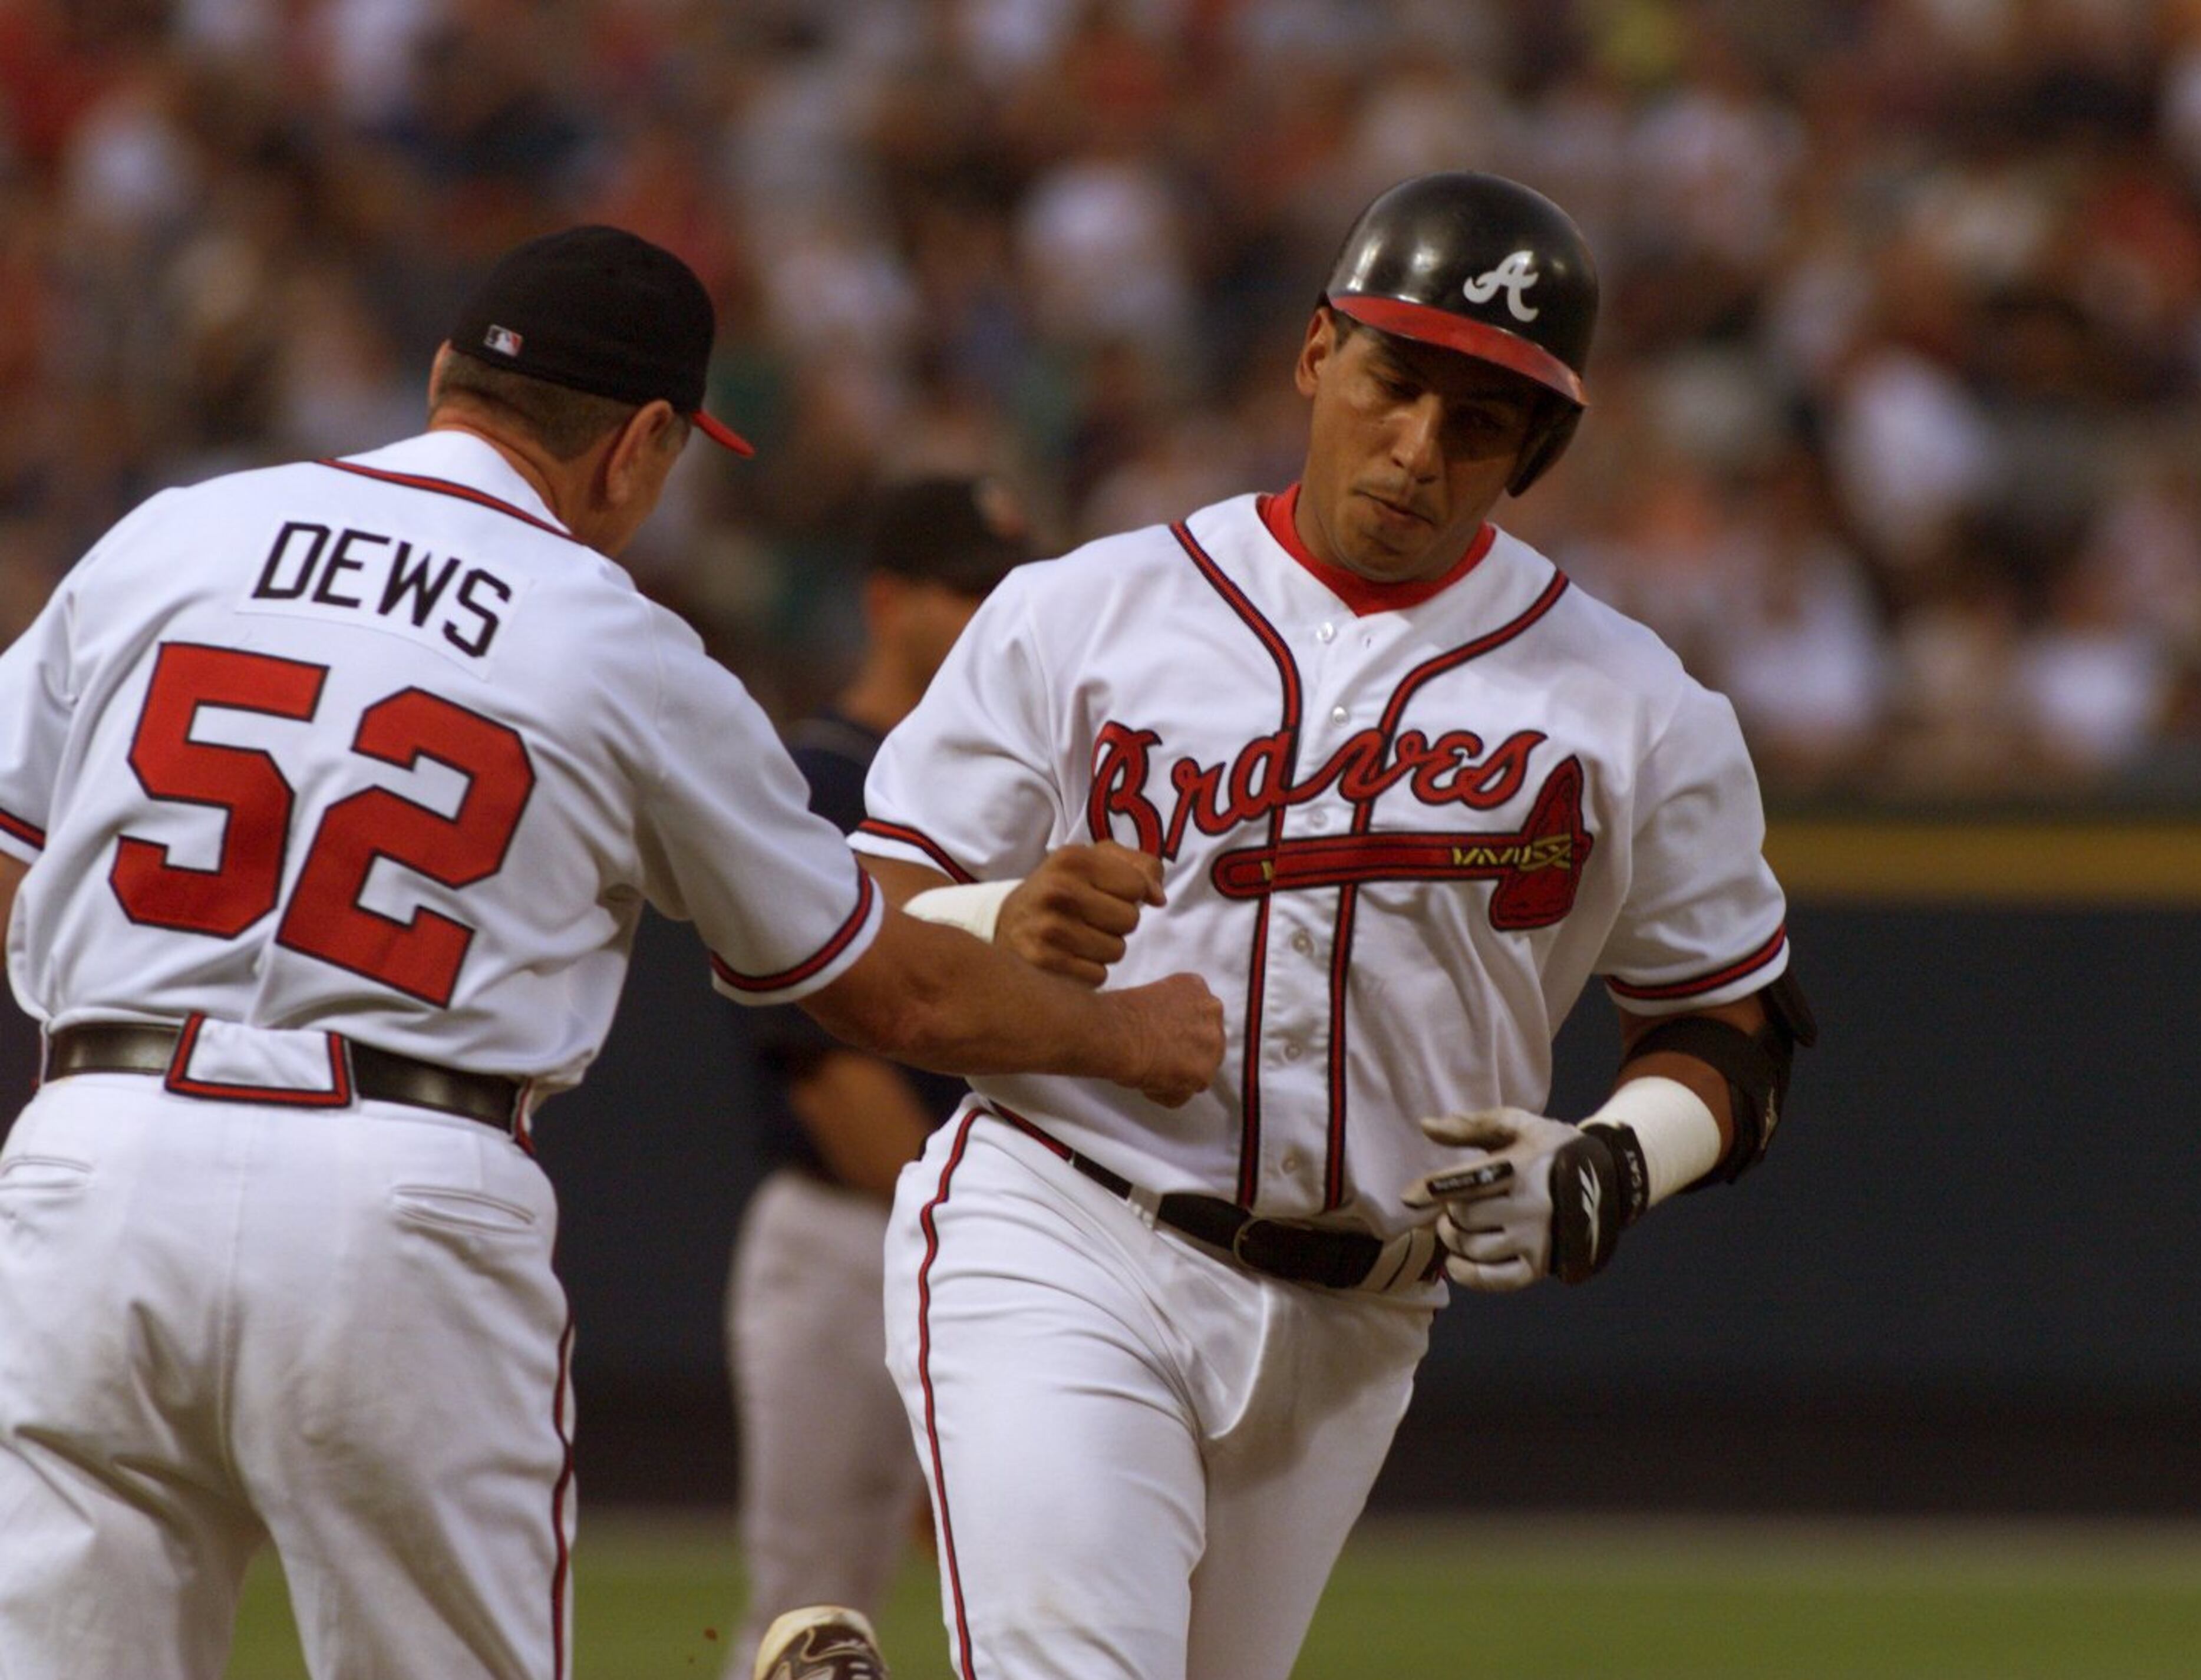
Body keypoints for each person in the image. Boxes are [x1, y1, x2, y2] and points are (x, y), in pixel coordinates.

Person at [0, 224, 1222, 1680]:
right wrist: (1126, 1034)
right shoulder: (615, 639)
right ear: (642, 442)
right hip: (397, 1186)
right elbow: (879, 985)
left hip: (91, 1162)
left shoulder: (175, 533)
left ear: (447, 372)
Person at [846, 171, 1818, 1680]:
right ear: (1317, 355)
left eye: (1480, 422)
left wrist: (1617, 1157)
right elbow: (864, 925)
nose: (1420, 449)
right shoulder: (1082, 611)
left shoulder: (1637, 710)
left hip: (1358, 1314)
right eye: (1395, 382)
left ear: (1539, 450)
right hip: (1066, 1220)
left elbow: (1731, 1026)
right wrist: (996, 907)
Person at [718, 474, 1040, 1677]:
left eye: (1009, 586)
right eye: (968, 589)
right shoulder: (817, 777)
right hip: (854, 1235)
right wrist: (972, 1247)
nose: (995, 612)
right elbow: (820, 1068)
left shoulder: (1008, 786)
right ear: (886, 599)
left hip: (972, 1237)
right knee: (809, 1619)